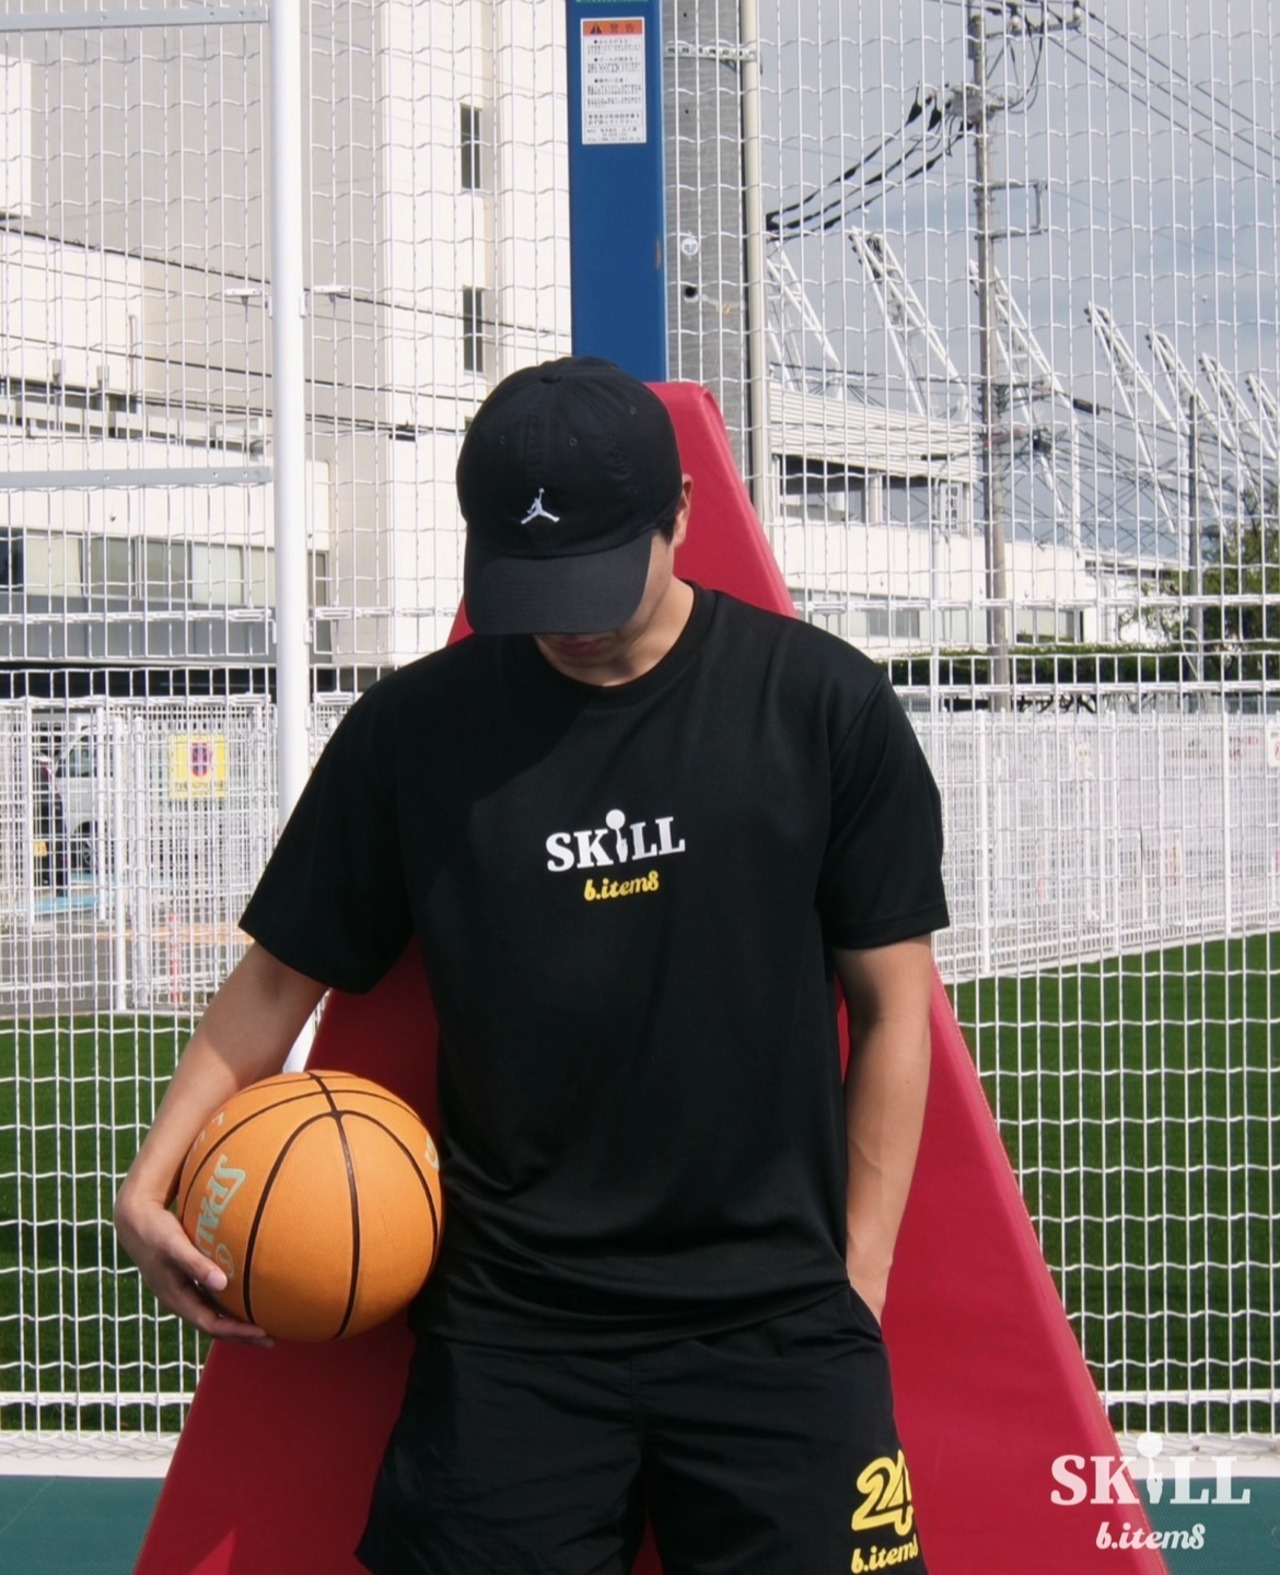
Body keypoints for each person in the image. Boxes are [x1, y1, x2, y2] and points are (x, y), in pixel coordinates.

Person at [115, 356, 948, 1575]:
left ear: (678, 516)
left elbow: (892, 1013)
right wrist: (153, 1175)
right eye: (533, 581)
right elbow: (283, 977)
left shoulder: (822, 708)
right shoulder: (413, 733)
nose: (568, 616)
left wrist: (854, 1289)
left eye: (596, 575)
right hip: (513, 1328)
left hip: (776, 1318)